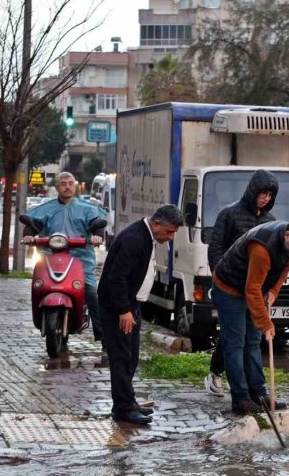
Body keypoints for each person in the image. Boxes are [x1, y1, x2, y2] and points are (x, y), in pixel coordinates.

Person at [212, 220, 289, 415]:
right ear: (287, 235)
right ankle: (240, 399)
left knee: (253, 341)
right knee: (236, 343)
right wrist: (266, 323)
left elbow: (285, 268)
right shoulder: (262, 248)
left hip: (252, 289)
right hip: (229, 288)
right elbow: (252, 289)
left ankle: (258, 394)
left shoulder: (288, 247)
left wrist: (274, 290)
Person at [98, 205, 183, 425]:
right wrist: (124, 310)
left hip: (131, 305)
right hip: (118, 307)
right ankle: (124, 409)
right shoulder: (134, 239)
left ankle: (127, 401)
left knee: (131, 357)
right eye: (169, 232)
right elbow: (117, 278)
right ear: (156, 223)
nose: (170, 237)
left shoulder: (146, 236)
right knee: (122, 358)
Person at [204, 169, 279, 397]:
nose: (265, 198)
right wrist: (219, 278)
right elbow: (215, 248)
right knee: (235, 336)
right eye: (262, 193)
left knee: (246, 338)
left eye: (270, 195)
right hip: (230, 285)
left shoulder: (270, 221)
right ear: (253, 191)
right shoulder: (229, 214)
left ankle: (235, 379)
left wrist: (270, 289)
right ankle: (224, 379)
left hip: (255, 288)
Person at [21, 172, 108, 344]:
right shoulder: (46, 208)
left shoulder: (87, 208)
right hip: (51, 258)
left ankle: (103, 334)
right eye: (63, 183)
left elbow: (97, 225)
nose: (67, 186)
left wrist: (98, 236)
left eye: (70, 183)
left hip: (80, 260)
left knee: (91, 291)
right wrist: (29, 235)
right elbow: (34, 225)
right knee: (40, 286)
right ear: (56, 187)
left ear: (74, 185)